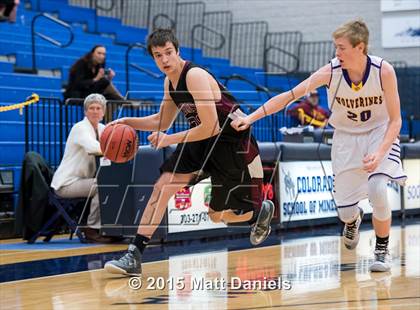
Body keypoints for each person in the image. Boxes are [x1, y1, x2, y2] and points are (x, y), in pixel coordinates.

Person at [231, 20, 406, 272]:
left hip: (379, 133)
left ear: (360, 47)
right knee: (345, 212)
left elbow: (396, 120)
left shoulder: (384, 71)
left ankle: (381, 250)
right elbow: (289, 96)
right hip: (345, 138)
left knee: (378, 187)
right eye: (335, 48)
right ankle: (352, 220)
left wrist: (380, 153)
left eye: (341, 48)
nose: (336, 53)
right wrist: (250, 117)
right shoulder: (331, 72)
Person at [104, 29, 274, 276]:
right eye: (158, 55)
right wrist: (127, 122)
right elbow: (162, 121)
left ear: (178, 51)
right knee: (161, 187)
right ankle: (134, 255)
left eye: (168, 53)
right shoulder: (169, 82)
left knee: (216, 216)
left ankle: (257, 213)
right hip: (201, 140)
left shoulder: (193, 75)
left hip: (229, 142)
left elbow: (211, 126)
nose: (164, 60)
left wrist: (168, 140)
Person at [51, 93, 115, 243]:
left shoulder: (102, 128)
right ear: (85, 112)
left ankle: (110, 228)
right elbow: (95, 147)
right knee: (103, 185)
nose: (95, 111)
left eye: (98, 108)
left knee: (114, 184)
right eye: (91, 108)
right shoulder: (80, 128)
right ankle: (91, 228)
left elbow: (111, 146)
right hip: (66, 184)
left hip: (82, 181)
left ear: (103, 112)